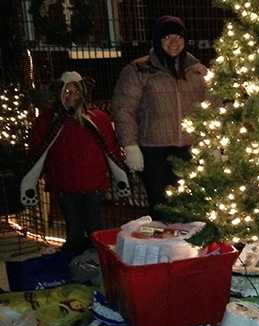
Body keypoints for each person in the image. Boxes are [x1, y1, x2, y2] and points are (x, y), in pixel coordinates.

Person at [20, 71, 130, 257]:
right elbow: (37, 154)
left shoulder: (98, 118)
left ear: (83, 93)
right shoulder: (48, 120)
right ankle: (76, 268)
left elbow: (111, 150)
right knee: (74, 231)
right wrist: (28, 184)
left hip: (93, 185)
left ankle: (98, 267)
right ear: (59, 93)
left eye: (75, 91)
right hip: (64, 186)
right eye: (67, 91)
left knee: (96, 230)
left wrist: (121, 179)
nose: (71, 96)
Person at [112, 15, 207, 218]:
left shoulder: (197, 71)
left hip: (191, 150)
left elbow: (212, 107)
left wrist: (213, 144)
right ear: (157, 40)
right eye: (167, 38)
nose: (174, 43)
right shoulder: (139, 70)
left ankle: (188, 249)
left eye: (178, 37)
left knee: (192, 208)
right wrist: (130, 145)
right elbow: (123, 109)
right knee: (163, 208)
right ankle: (163, 248)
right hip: (155, 152)